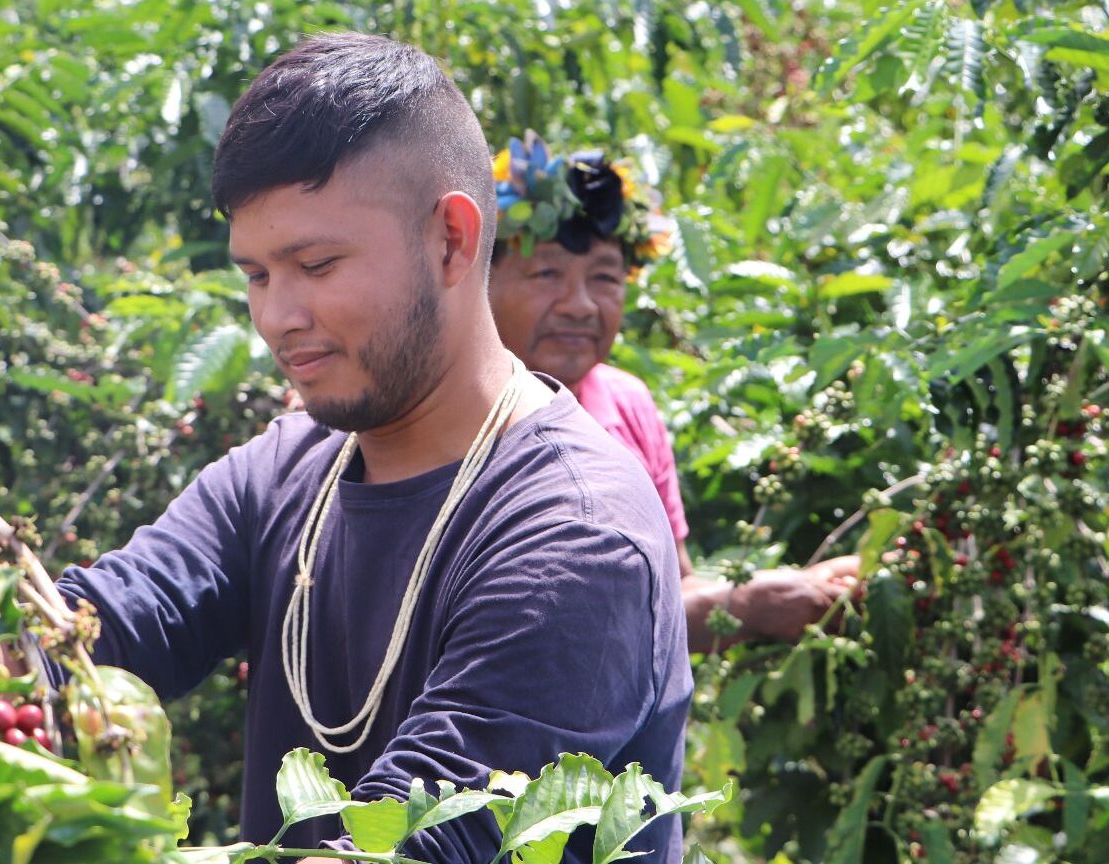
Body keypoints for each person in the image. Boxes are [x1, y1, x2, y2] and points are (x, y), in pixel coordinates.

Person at [52, 34, 690, 863]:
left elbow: (403, 844)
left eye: (315, 264)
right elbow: (99, 628)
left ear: (452, 241)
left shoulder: (574, 531)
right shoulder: (284, 471)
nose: (279, 315)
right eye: (257, 275)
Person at [484, 133, 861, 653]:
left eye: (605, 278)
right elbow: (553, 634)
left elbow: (670, 587)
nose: (581, 305)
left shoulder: (627, 404)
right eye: (547, 273)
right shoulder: (453, 418)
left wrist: (801, 587)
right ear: (478, 278)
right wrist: (744, 607)